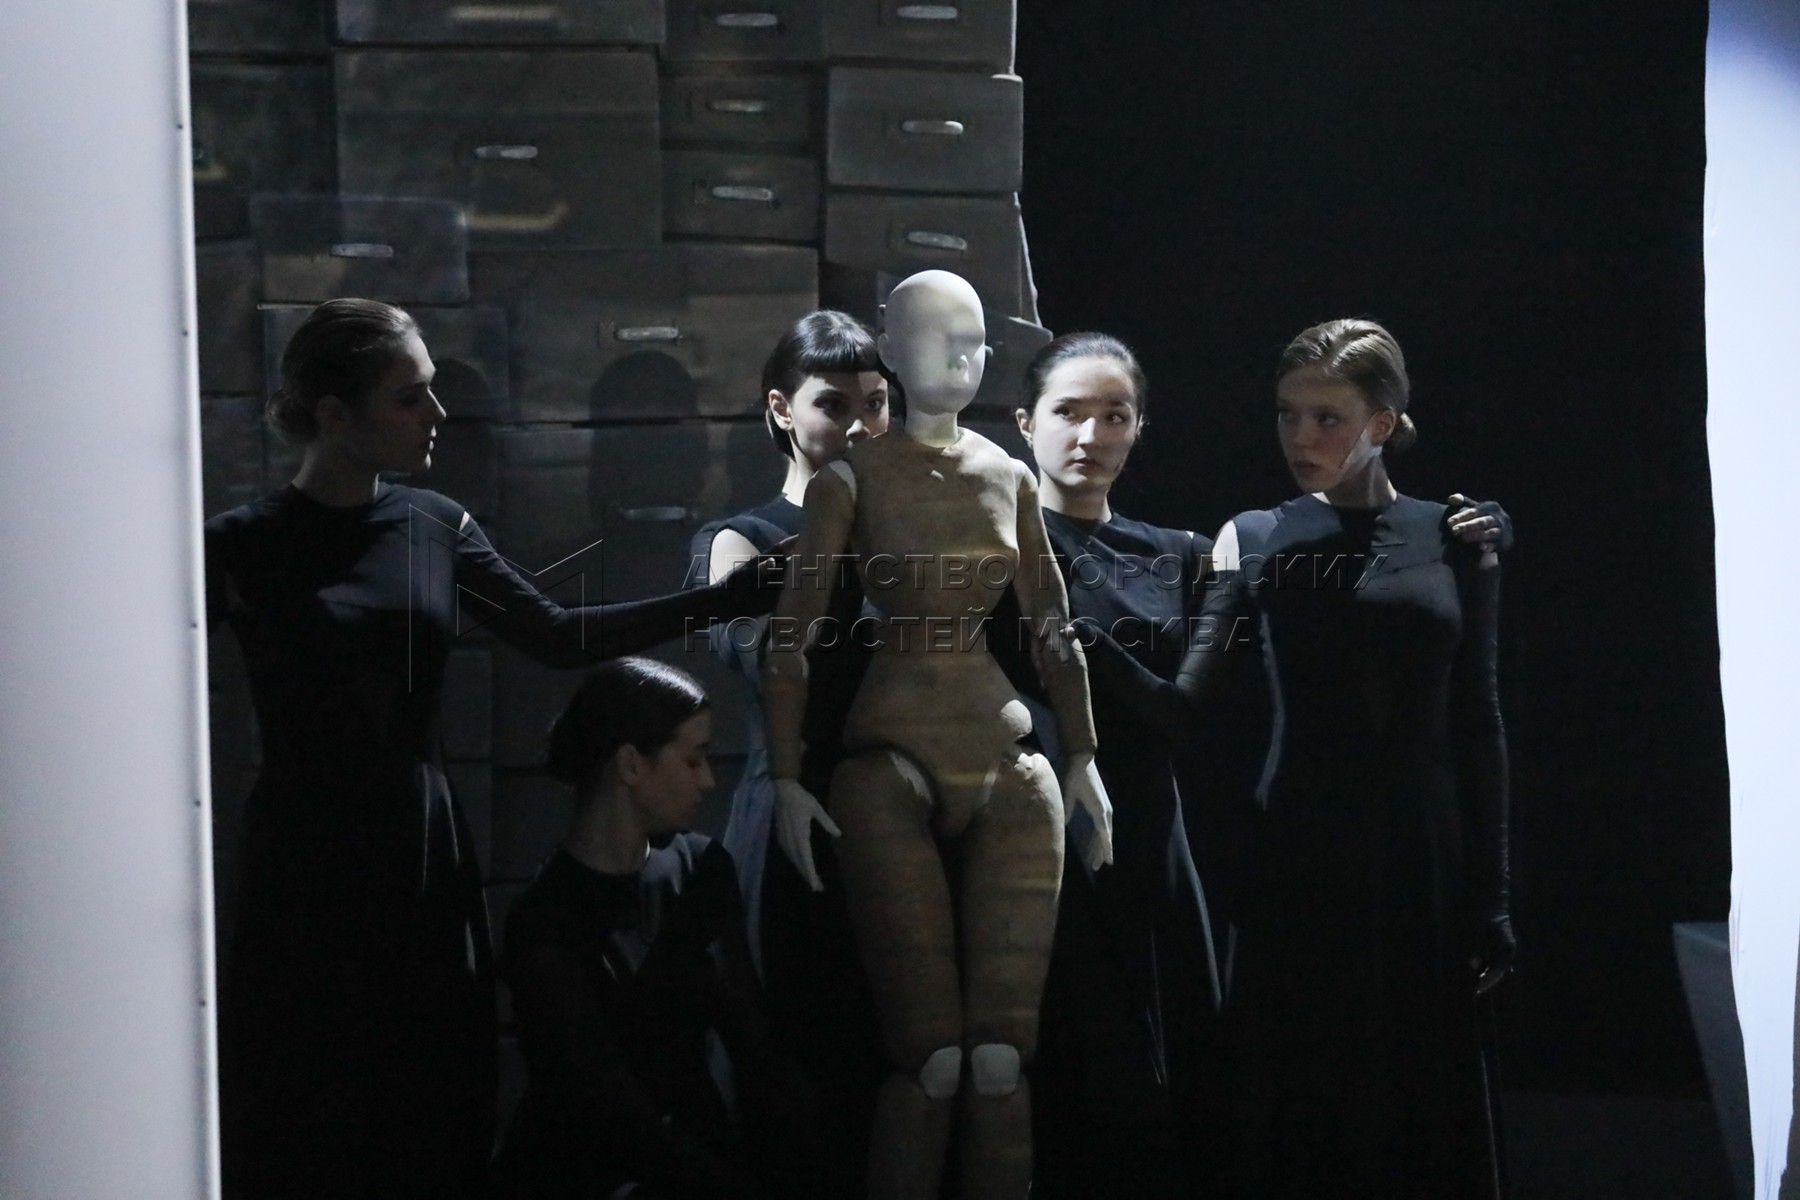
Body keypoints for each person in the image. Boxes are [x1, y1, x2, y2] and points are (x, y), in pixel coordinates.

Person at [204, 299, 782, 1199]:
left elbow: (554, 634)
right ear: (334, 414)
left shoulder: (433, 523)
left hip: (417, 844)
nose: (438, 415)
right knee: (304, 1093)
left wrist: (723, 599)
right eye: (410, 398)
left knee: (433, 1090)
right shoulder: (239, 546)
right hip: (304, 855)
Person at [1077, 317, 1514, 1198]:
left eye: (1326, 418)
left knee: (1417, 1099)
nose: (1299, 437)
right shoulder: (1257, 535)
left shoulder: (1456, 534)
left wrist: (1492, 897)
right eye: (1287, 414)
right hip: (1298, 856)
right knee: (1301, 1100)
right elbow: (1183, 708)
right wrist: (1080, 639)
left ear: (1382, 422)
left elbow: (1479, 719)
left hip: (1421, 859)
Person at [764, 271, 1114, 1200]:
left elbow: (1053, 627)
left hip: (1006, 755)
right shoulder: (850, 480)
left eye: (973, 341)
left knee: (999, 1059)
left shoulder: (1010, 476)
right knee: (932, 1058)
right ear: (891, 349)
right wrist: (785, 774)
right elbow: (791, 636)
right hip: (889, 755)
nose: (959, 356)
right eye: (935, 337)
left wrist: (1083, 755)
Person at [686, 310, 890, 1191]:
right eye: (833, 404)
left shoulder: (911, 537)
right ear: (780, 410)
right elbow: (758, 654)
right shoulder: (742, 538)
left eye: (876, 404)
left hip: (899, 814)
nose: (861, 425)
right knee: (795, 1067)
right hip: (792, 815)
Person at [496, 658, 820, 1200]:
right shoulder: (545, 922)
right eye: (692, 760)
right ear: (630, 764)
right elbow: (606, 1104)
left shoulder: (700, 871)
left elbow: (756, 1045)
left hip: (702, 1156)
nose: (708, 780)